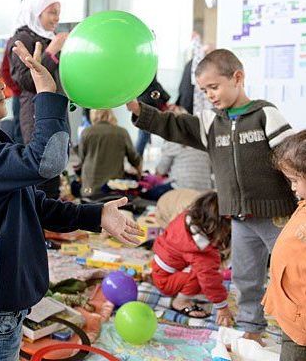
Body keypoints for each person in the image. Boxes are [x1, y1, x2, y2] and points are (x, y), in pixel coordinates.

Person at [0, 40, 144, 361]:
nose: (0, 84)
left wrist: (96, 215)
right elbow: (46, 161)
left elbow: (36, 204)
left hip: (3, 305)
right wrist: (46, 93)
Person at [126, 49, 296, 344]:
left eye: (214, 87)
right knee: (246, 278)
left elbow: (293, 155)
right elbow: (174, 125)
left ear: (238, 78)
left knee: (290, 273)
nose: (210, 95)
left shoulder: (265, 114)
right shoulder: (210, 123)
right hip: (239, 219)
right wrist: (140, 111)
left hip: (277, 216)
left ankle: (297, 328)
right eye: (204, 91)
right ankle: (251, 329)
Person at [7, 0, 68, 198]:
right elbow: (24, 80)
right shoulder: (22, 38)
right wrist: (51, 52)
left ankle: (51, 222)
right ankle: (38, 224)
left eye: (58, 13)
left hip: (55, 108)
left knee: (55, 164)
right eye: (52, 12)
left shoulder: (49, 38)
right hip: (35, 111)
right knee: (41, 168)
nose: (56, 18)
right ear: (36, 13)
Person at [152, 191, 233, 324]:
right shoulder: (200, 250)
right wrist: (222, 307)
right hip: (165, 281)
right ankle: (180, 302)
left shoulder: (185, 219)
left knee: (203, 273)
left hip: (158, 269)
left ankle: (182, 290)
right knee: (202, 277)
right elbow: (209, 280)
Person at [263, 130, 306, 360]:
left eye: (295, 180)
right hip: (291, 312)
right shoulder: (303, 203)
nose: (292, 188)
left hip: (301, 326)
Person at [79, 109, 141, 197]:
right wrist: (139, 176)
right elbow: (135, 160)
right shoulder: (122, 132)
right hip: (113, 191)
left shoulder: (86, 132)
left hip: (89, 191)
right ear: (110, 114)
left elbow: (81, 159)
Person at [155, 107, 213, 192]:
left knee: (146, 193)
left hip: (179, 189)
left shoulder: (172, 142)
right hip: (204, 191)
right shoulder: (203, 139)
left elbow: (161, 171)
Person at [135, 75, 170, 156]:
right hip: (149, 104)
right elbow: (154, 85)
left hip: (143, 102)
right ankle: (136, 161)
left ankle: (137, 160)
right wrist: (165, 97)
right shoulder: (146, 67)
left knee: (143, 134)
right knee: (143, 135)